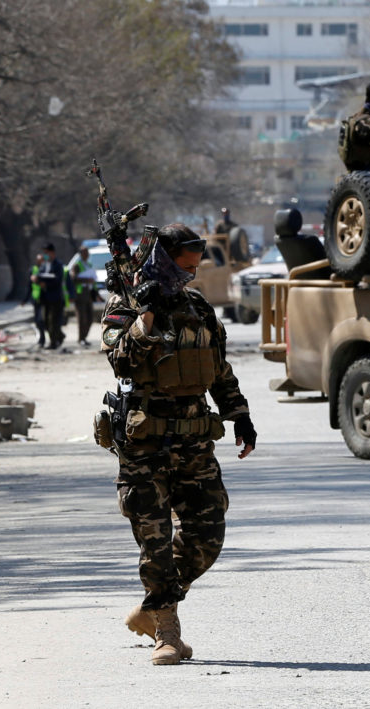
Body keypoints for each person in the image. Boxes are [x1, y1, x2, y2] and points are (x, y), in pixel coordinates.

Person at [100, 223, 257, 666]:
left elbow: (218, 367)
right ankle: (167, 633)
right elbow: (120, 361)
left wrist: (239, 414)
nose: (191, 273)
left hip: (194, 441)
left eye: (195, 266)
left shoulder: (198, 307)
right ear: (163, 260)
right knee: (155, 539)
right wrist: (146, 316)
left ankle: (153, 606)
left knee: (208, 535)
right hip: (145, 443)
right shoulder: (126, 304)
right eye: (184, 265)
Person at [68, 246, 100, 347]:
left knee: (90, 318)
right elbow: (73, 278)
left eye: (87, 252)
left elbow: (93, 281)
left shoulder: (89, 265)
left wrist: (97, 294)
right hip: (80, 294)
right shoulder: (77, 265)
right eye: (84, 252)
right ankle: (81, 338)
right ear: (81, 254)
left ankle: (84, 337)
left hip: (88, 294)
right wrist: (86, 280)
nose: (86, 254)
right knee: (82, 318)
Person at [37, 243, 66, 349]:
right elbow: (39, 275)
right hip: (45, 297)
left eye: (47, 253)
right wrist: (37, 279)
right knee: (45, 321)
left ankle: (53, 342)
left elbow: (57, 280)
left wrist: (46, 284)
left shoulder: (58, 265)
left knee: (53, 321)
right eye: (44, 253)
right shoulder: (44, 265)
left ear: (52, 253)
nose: (45, 255)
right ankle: (60, 336)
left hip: (55, 297)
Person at [21, 253, 47, 347]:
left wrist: (37, 280)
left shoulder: (46, 269)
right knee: (37, 320)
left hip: (45, 299)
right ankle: (42, 338)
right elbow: (30, 286)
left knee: (42, 320)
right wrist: (25, 300)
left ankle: (46, 339)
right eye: (39, 260)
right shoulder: (33, 269)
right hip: (36, 299)